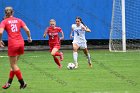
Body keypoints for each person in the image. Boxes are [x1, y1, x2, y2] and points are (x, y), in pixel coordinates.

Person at [0, 6, 32, 89]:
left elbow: (0, 32)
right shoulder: (19, 20)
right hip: (21, 43)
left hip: (13, 44)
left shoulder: (4, 21)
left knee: (13, 65)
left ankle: (22, 83)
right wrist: (29, 37)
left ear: (5, 13)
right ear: (13, 12)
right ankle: (9, 83)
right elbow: (27, 30)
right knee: (14, 65)